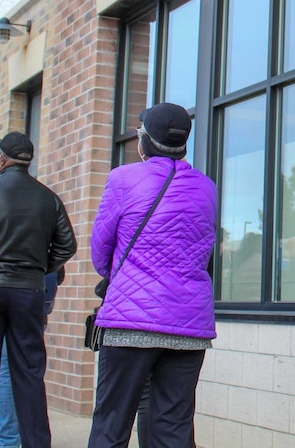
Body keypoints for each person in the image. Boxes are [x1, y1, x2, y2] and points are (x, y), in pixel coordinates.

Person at [87, 102, 218, 448]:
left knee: (112, 424)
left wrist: (126, 275)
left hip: (130, 324)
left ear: (147, 140)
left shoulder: (123, 178)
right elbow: (204, 251)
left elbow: (101, 251)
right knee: (173, 428)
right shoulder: (207, 187)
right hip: (189, 324)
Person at [0, 131, 77, 448]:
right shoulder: (48, 197)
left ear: (3, 159)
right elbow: (67, 246)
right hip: (28, 292)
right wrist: (38, 268)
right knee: (29, 375)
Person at [0, 267, 65, 447]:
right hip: (37, 296)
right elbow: (61, 259)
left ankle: (8, 440)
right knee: (29, 370)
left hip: (8, 292)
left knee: (8, 370)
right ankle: (23, 438)